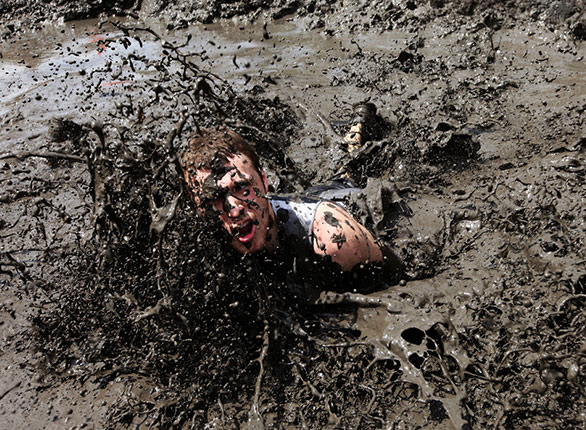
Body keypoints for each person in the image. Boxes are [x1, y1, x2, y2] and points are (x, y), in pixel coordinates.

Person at [181, 127, 402, 288]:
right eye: (214, 198)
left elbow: (400, 278)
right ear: (197, 207)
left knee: (351, 172)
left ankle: (359, 129)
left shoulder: (332, 238)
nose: (234, 210)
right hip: (298, 201)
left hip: (349, 203)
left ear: (264, 179)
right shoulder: (197, 253)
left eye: (241, 187)